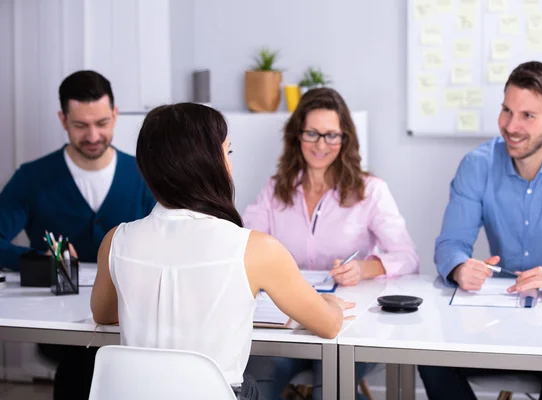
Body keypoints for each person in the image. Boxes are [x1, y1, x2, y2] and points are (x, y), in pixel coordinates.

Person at [90, 102, 355, 400]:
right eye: (227, 153)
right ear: (211, 163)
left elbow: (103, 314)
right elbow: (329, 326)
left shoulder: (116, 240)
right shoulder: (255, 248)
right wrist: (329, 302)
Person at [420, 61, 542, 400]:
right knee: (430, 359)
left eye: (527, 116)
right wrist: (460, 267)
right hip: (497, 319)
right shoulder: (478, 165)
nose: (511, 126)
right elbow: (450, 243)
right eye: (506, 110)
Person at [244, 88, 419, 400]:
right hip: (288, 322)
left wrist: (366, 268)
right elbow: (246, 246)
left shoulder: (371, 191)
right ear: (297, 135)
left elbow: (407, 257)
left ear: (345, 138)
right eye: (312, 133)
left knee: (332, 377)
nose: (321, 145)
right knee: (260, 378)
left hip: (347, 324)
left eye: (331, 135)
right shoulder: (274, 191)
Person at [0, 70, 156, 399]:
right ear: (63, 119)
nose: (94, 135)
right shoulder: (32, 178)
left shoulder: (146, 174)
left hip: (129, 312)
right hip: (60, 322)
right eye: (80, 125)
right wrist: (34, 260)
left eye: (102, 122)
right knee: (82, 360)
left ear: (115, 114)